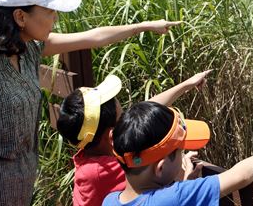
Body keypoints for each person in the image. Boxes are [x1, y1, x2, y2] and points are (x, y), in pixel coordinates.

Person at [0, 0, 180, 206]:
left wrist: (143, 26)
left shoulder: (30, 49)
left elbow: (94, 36)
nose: (55, 17)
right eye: (48, 10)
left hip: (22, 185)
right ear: (20, 16)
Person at [57, 70, 211, 206]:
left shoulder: (89, 152)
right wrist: (182, 183)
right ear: (112, 135)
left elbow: (143, 113)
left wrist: (186, 85)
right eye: (122, 117)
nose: (129, 119)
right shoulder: (103, 171)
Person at [103, 101, 253, 206]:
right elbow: (242, 176)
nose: (183, 157)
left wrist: (184, 182)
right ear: (161, 167)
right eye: (180, 153)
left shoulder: (109, 200)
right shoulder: (176, 196)